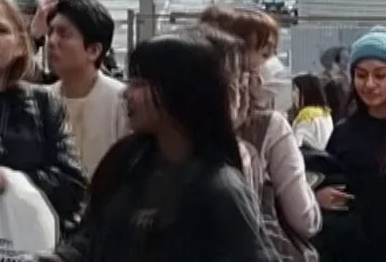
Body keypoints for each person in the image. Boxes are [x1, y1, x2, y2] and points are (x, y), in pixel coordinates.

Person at [54, 31, 275, 262]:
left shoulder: (221, 189)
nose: (126, 94)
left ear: (178, 92)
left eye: (139, 84)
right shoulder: (125, 161)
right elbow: (92, 236)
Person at [199, 6, 321, 261]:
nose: (274, 65)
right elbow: (305, 219)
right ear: (232, 55)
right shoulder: (270, 127)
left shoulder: (176, 125)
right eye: (265, 54)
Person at [0, 0, 85, 232]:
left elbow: (73, 185)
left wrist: (6, 182)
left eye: (0, 30)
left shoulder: (44, 103)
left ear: (19, 44)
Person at [318, 27, 386, 262]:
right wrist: (317, 196)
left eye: (381, 75)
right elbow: (325, 178)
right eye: (361, 75)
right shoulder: (344, 131)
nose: (370, 84)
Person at [36, 0, 129, 176]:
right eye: (50, 33)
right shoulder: (42, 101)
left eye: (63, 34)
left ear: (94, 50)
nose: (52, 42)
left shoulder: (121, 101)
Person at [290, 74, 333, 151]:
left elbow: (294, 147)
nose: (293, 95)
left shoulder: (306, 115)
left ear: (306, 93)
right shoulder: (325, 113)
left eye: (295, 90)